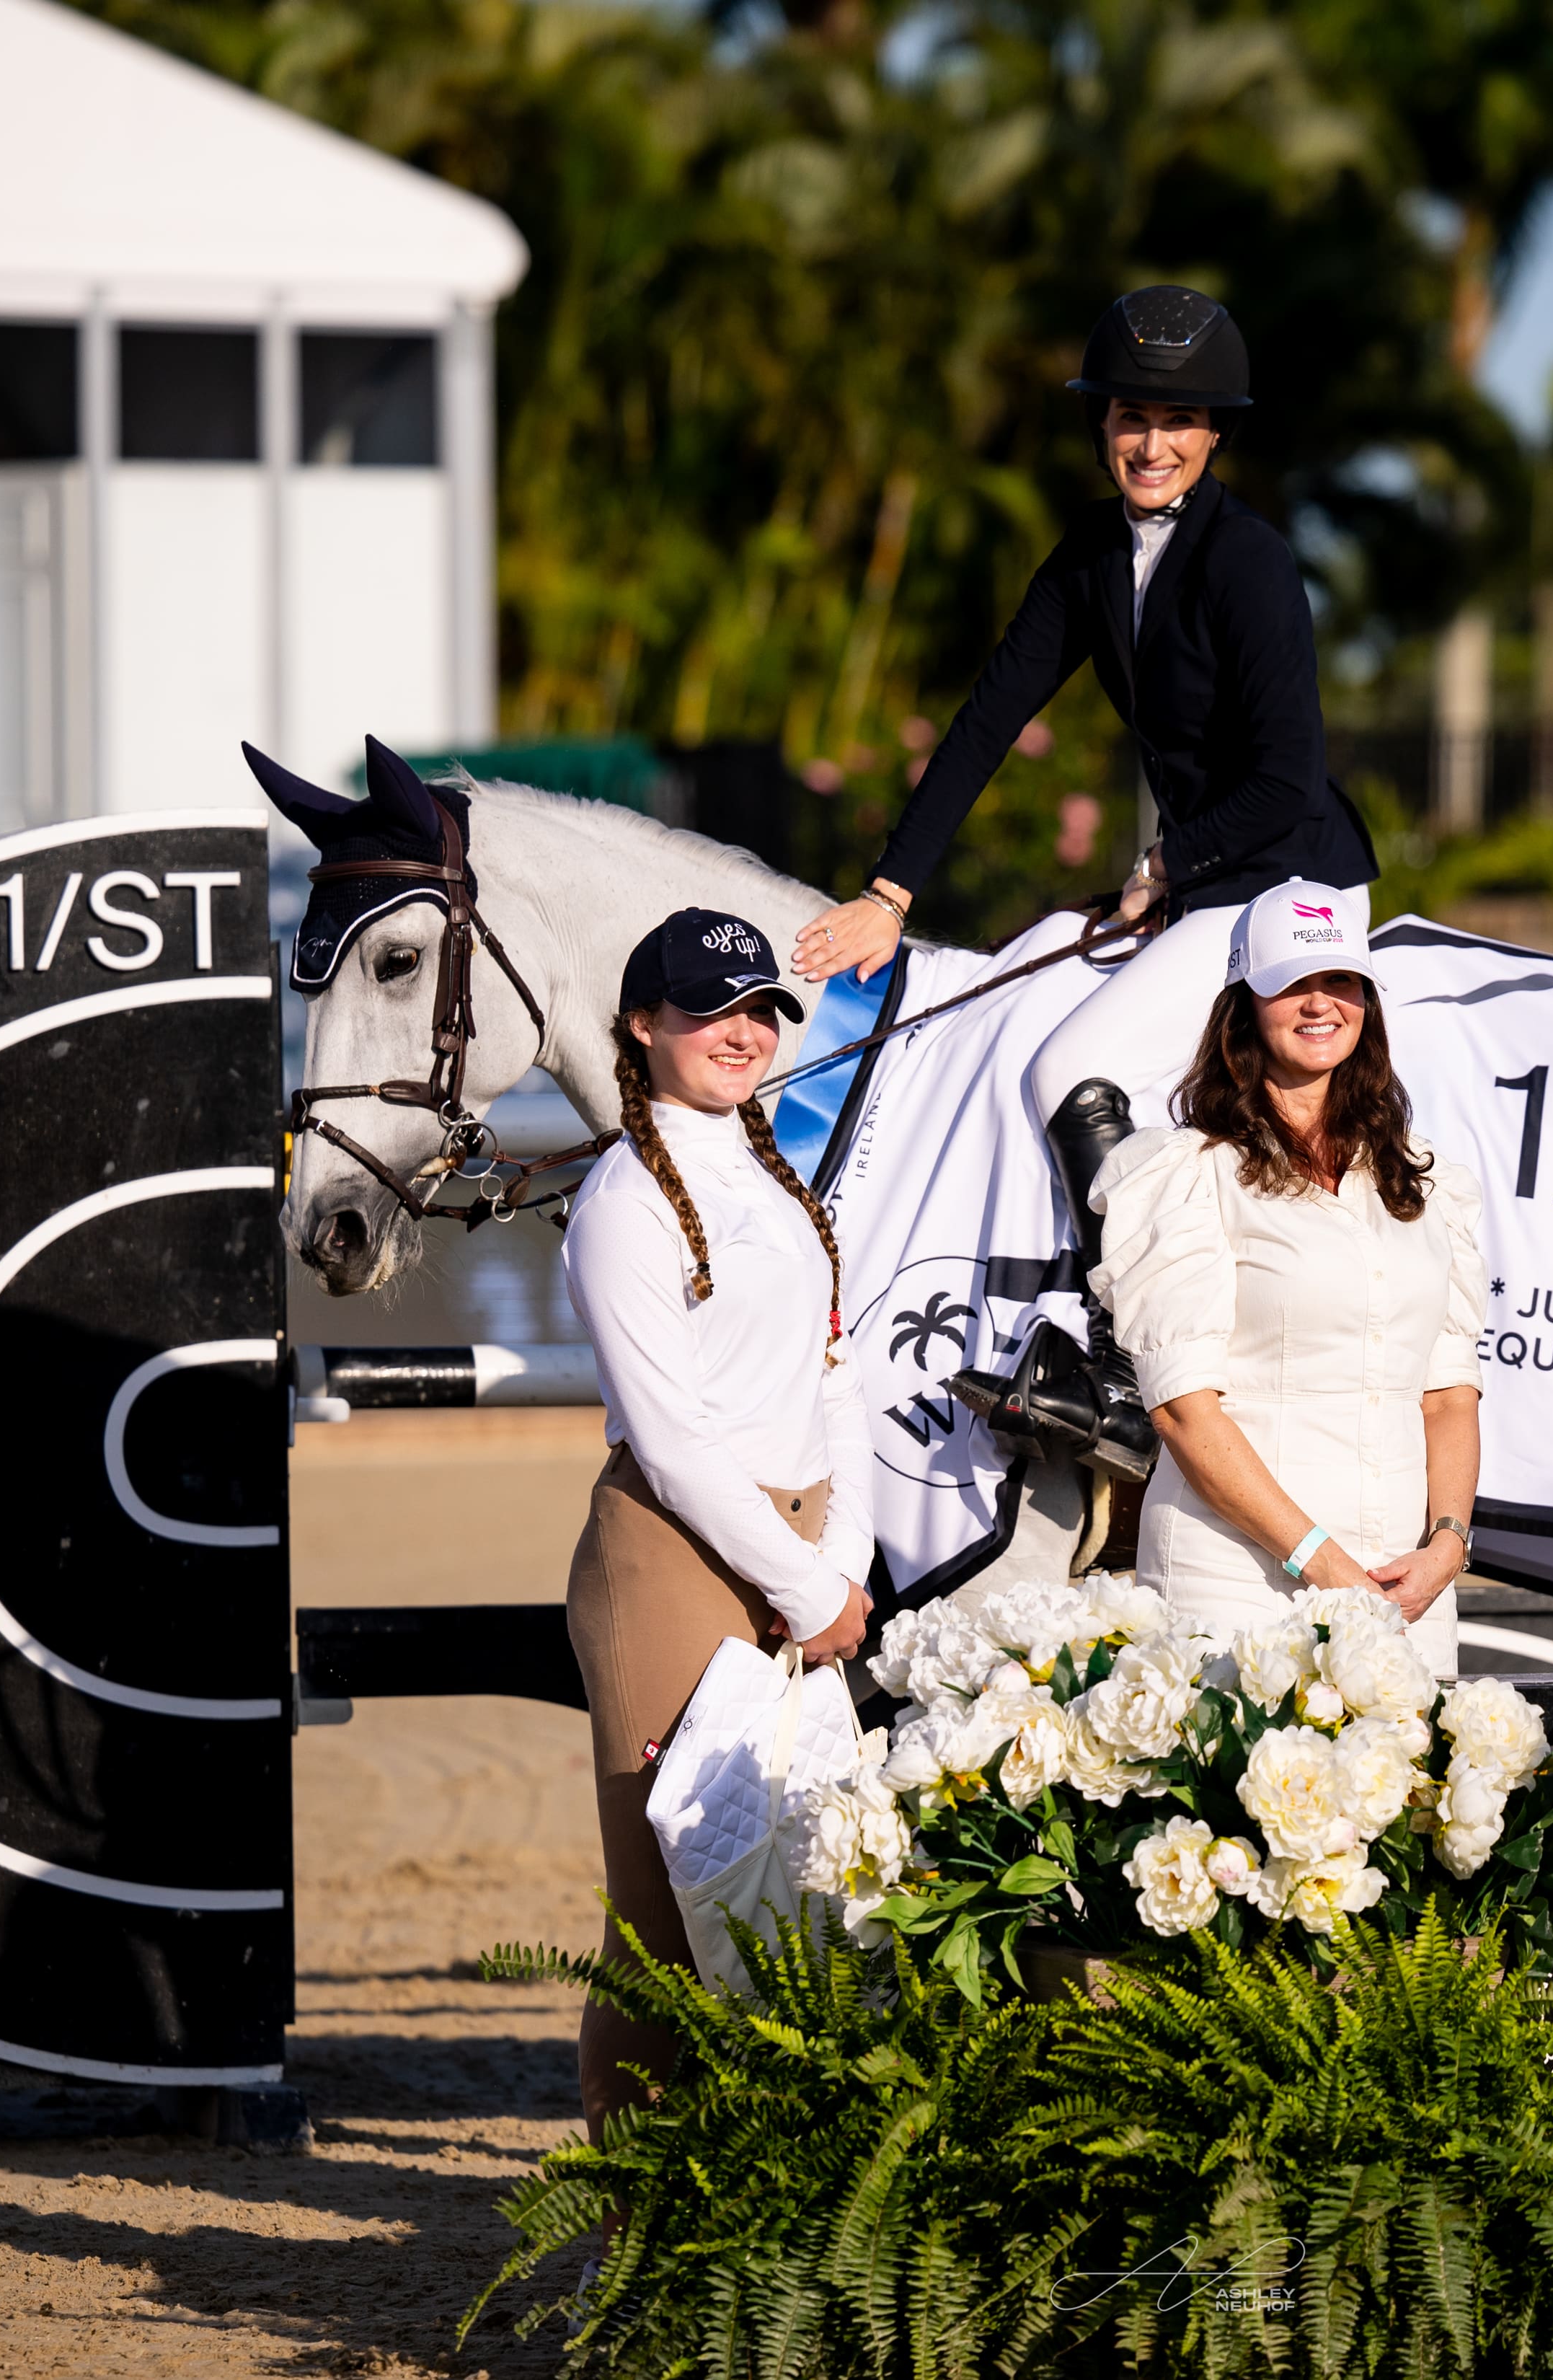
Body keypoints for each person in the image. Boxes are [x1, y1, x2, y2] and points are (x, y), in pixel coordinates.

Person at [787, 285, 1378, 1486]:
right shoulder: (1091, 557)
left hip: (1290, 882)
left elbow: (1285, 782)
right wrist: (891, 893)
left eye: (1179, 420)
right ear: (1103, 424)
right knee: (1024, 999)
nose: (1150, 444)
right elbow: (986, 721)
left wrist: (1165, 867)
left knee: (1073, 1065)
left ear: (1215, 435)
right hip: (1209, 882)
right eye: (1130, 416)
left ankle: (1126, 1359)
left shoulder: (1252, 564)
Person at [559, 907, 873, 2136]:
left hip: (799, 1549)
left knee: (799, 1898)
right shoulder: (622, 1203)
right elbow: (676, 1441)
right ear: (644, 1027)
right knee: (665, 1914)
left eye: (757, 1010)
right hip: (672, 1565)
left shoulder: (776, 1181)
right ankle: (631, 2228)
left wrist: (838, 1559)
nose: (738, 1033)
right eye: (706, 1010)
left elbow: (836, 1380)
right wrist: (809, 1588)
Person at [1087, 881, 1482, 1673]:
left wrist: (1447, 1544)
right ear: (1244, 1007)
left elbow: (1448, 1396)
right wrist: (1325, 1566)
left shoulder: (1429, 1181)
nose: (1320, 1003)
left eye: (1340, 981)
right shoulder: (1187, 1174)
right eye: (1292, 983)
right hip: (1237, 1588)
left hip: (1408, 1594)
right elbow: (1185, 1415)